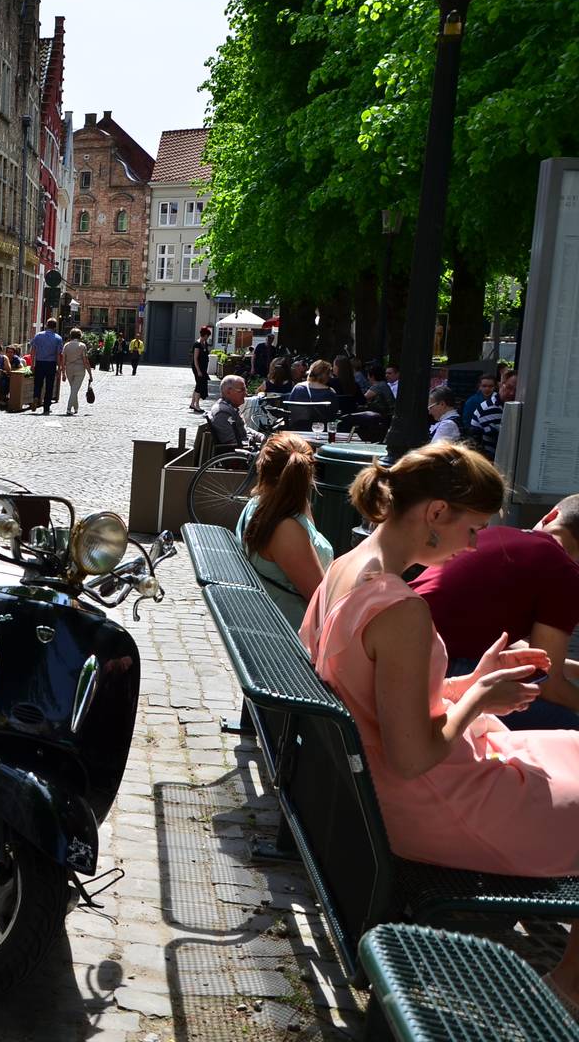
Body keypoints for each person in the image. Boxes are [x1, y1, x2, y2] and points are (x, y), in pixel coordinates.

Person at [299, 445, 579, 1011]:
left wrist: (468, 681)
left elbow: (370, 702)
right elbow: (411, 756)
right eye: (473, 529)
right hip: (421, 802)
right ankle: (568, 990)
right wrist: (480, 696)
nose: (475, 545)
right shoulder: (399, 608)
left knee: (569, 746)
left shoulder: (345, 570)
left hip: (374, 792)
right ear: (435, 514)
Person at [413, 493, 579, 732]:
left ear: (551, 516)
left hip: (407, 642)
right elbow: (551, 686)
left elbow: (523, 652)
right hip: (434, 665)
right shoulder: (565, 574)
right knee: (570, 728)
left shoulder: (495, 534)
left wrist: (571, 667)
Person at [236, 432, 332, 624]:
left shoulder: (259, 505)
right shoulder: (286, 530)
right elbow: (321, 602)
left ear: (261, 467)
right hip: (288, 635)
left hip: (268, 620)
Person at [205, 375, 264, 451]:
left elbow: (244, 429)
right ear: (228, 391)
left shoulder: (230, 407)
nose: (245, 393)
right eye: (241, 390)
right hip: (238, 455)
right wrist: (252, 442)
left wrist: (260, 436)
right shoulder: (222, 412)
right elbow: (230, 442)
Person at [469, 370, 515, 461]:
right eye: (509, 387)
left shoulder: (500, 405)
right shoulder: (490, 408)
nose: (512, 393)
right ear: (500, 385)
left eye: (516, 389)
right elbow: (506, 442)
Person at [30, 319, 63, 414]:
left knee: (38, 383)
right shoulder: (58, 338)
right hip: (51, 364)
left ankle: (36, 397)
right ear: (55, 327)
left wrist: (32, 364)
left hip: (39, 362)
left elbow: (33, 350)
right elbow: (58, 354)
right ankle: (46, 407)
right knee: (49, 385)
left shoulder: (38, 335)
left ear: (46, 325)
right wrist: (59, 366)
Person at [61, 328, 91, 415]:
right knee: (74, 389)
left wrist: (63, 373)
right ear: (80, 336)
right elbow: (85, 361)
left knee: (74, 389)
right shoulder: (82, 346)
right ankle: (68, 408)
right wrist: (90, 373)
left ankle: (76, 407)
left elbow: (63, 361)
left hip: (69, 369)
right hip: (80, 369)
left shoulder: (66, 346)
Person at [460, 373, 496, 441]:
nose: (487, 389)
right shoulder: (471, 402)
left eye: (490, 386)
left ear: (495, 387)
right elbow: (467, 423)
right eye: (484, 386)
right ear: (479, 386)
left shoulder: (498, 401)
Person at [190, 325, 213, 413]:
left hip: (203, 368)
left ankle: (192, 404)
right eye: (208, 336)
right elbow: (195, 358)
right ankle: (197, 405)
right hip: (197, 368)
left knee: (198, 385)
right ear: (205, 335)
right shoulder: (197, 344)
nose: (208, 338)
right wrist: (198, 371)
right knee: (200, 386)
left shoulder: (204, 344)